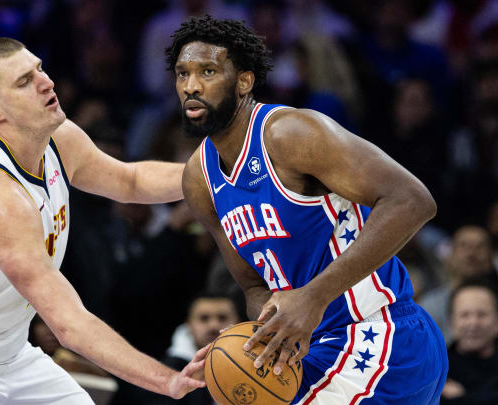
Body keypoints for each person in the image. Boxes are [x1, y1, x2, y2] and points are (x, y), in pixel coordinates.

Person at [0, 37, 207, 404]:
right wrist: (167, 381)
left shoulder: (57, 139)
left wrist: (217, 178)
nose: (45, 82)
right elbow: (69, 324)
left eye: (39, 69)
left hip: (7, 355)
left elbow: (130, 181)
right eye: (23, 82)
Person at [174, 15, 448, 404]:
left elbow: (413, 200)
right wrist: (256, 345)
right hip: (319, 349)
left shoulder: (291, 134)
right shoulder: (199, 179)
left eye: (208, 71)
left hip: (382, 337)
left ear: (244, 81)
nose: (192, 86)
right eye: (182, 74)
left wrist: (313, 297)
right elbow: (255, 284)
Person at [442, 279, 498, 404]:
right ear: (452, 322)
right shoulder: (437, 371)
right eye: (464, 315)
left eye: (482, 314)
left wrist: (461, 398)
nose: (473, 323)